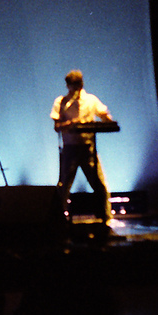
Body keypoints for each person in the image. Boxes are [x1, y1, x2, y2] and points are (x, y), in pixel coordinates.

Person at [50, 70, 114, 223]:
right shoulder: (61, 102)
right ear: (67, 86)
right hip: (70, 148)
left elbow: (105, 116)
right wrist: (71, 124)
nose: (76, 89)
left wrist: (108, 120)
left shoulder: (91, 100)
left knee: (100, 183)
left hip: (88, 148)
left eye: (79, 85)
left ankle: (106, 217)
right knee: (64, 185)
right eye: (73, 86)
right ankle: (58, 218)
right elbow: (57, 126)